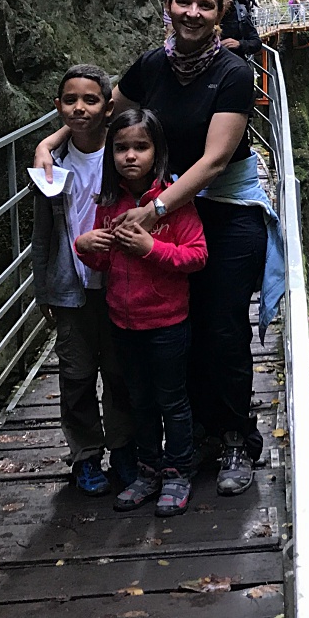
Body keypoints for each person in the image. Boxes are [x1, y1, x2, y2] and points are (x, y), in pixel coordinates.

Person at [36, 0, 283, 496]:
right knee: (179, 327)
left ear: (221, 13)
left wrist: (156, 208)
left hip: (222, 208)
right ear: (168, 6)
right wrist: (53, 141)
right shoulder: (153, 65)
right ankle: (189, 439)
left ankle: (236, 435)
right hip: (165, 205)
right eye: (183, 3)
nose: (193, 13)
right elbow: (107, 109)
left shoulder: (234, 72)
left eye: (205, 5)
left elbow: (216, 160)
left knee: (221, 328)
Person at [75, 108, 207, 516]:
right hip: (123, 321)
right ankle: (148, 471)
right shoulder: (109, 204)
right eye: (120, 148)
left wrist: (152, 249)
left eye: (140, 147)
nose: (130, 156)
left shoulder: (172, 203)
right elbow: (105, 265)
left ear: (157, 152)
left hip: (167, 322)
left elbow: (197, 255)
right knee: (139, 400)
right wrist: (85, 247)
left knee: (172, 401)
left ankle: (177, 472)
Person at [30, 65, 134, 496]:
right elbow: (42, 231)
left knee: (119, 370)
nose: (80, 108)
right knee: (75, 375)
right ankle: (86, 455)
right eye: (70, 100)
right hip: (71, 287)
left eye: (90, 100)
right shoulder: (50, 164)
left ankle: (125, 449)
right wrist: (42, 288)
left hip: (118, 284)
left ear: (108, 106)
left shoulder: (124, 152)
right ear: (58, 107)